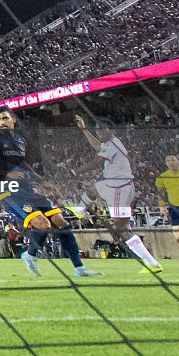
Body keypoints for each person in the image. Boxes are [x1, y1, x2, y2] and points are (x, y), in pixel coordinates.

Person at [0, 107, 100, 278]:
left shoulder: (20, 141)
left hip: (28, 189)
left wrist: (43, 181)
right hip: (9, 192)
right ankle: (30, 255)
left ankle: (79, 268)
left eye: (5, 118)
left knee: (62, 223)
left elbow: (24, 165)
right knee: (43, 225)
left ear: (13, 119)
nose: (2, 122)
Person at [67, 115, 161, 273]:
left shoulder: (114, 144)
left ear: (110, 130)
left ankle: (152, 263)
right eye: (97, 130)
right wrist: (84, 129)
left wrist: (75, 171)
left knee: (122, 229)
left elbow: (96, 162)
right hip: (113, 184)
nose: (99, 133)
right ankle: (79, 211)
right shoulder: (109, 143)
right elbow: (97, 146)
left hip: (119, 188)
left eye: (101, 130)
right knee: (93, 190)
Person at [155, 155, 179, 266]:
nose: (171, 162)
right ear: (166, 164)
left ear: (178, 162)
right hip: (175, 209)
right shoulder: (162, 177)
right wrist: (162, 205)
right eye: (168, 161)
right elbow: (160, 192)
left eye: (173, 160)